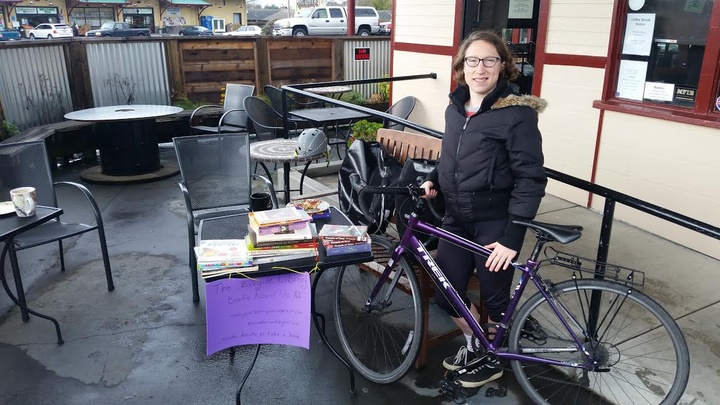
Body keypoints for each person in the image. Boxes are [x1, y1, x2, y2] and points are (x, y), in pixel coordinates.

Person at [420, 30, 548, 389]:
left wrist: (511, 238)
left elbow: (531, 179)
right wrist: (434, 178)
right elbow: (452, 154)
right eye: (472, 61)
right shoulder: (455, 107)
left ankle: (495, 356)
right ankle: (480, 347)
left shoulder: (516, 114)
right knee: (446, 290)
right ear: (462, 67)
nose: (480, 68)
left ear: (503, 65)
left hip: (495, 223)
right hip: (456, 219)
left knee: (495, 299)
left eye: (489, 60)